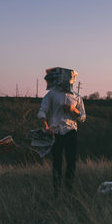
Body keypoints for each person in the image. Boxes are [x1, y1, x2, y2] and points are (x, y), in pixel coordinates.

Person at [37, 67, 86, 197]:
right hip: (55, 132)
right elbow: (42, 111)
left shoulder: (77, 97)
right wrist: (45, 126)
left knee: (71, 162)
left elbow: (82, 117)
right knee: (56, 163)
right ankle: (56, 192)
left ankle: (69, 192)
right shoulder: (52, 94)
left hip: (71, 132)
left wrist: (73, 110)